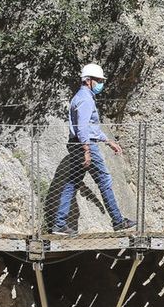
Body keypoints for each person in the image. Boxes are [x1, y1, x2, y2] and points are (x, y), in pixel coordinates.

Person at [53, 62, 134, 234]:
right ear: (89, 80)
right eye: (98, 80)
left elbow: (90, 127)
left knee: (72, 182)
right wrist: (87, 150)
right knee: (104, 181)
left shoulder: (82, 97)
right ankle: (118, 221)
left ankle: (59, 224)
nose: (101, 83)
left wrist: (107, 141)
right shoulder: (85, 99)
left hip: (79, 143)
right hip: (85, 144)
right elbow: (83, 128)